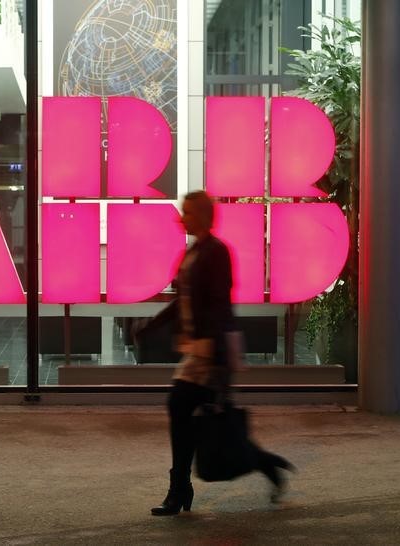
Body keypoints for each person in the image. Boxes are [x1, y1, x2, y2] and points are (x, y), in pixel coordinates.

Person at [143, 190, 294, 516]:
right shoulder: (194, 252)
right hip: (198, 350)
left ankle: (181, 488)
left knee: (196, 414)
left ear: (201, 216)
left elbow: (220, 306)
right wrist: (151, 325)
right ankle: (262, 467)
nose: (180, 218)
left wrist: (216, 360)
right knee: (203, 418)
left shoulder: (216, 252)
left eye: (186, 212)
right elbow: (182, 302)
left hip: (212, 352)